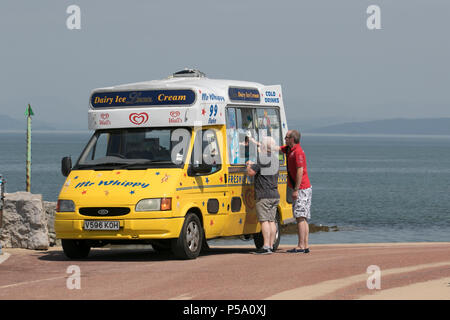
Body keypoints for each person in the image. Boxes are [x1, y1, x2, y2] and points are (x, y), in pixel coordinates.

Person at [246, 136, 280, 254]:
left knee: (264, 221)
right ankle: (271, 245)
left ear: (264, 147)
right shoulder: (275, 159)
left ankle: (265, 246)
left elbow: (251, 172)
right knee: (272, 221)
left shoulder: (262, 158)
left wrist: (249, 165)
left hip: (263, 194)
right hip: (274, 194)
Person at [280, 130, 312, 254]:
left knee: (300, 217)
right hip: (303, 187)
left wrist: (296, 189)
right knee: (302, 217)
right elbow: (277, 148)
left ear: (292, 139)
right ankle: (305, 245)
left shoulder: (297, 152)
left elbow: (300, 171)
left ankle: (301, 245)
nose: (285, 139)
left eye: (286, 137)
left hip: (302, 188)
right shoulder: (289, 150)